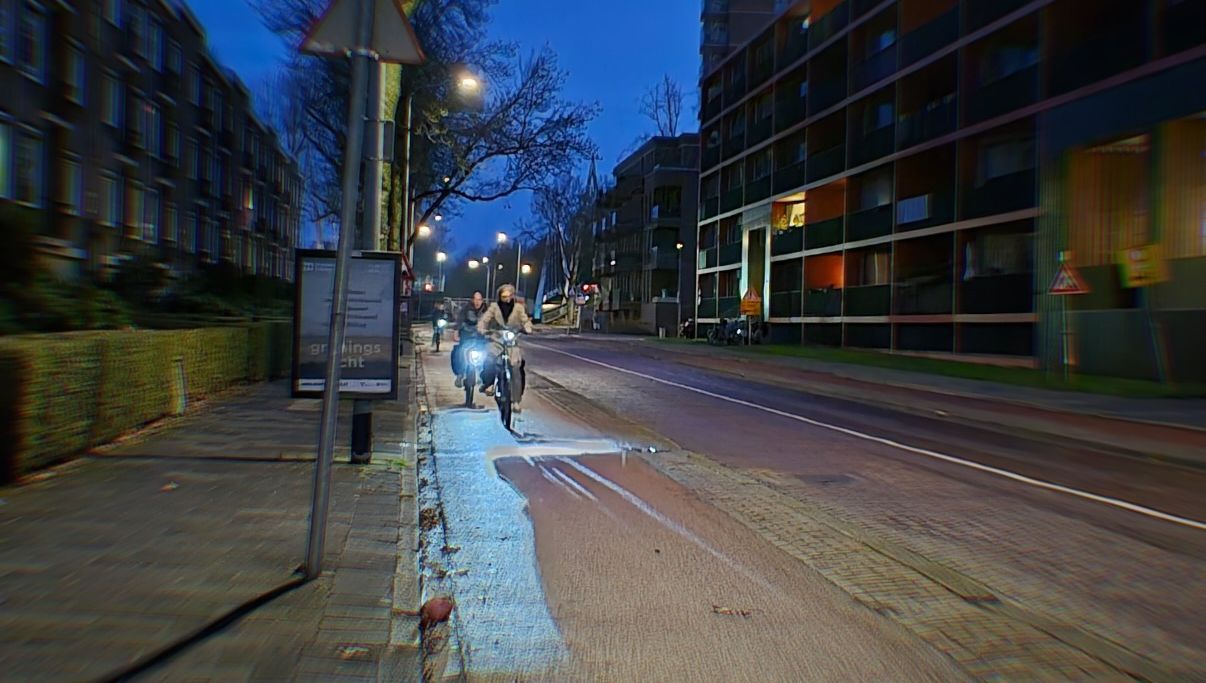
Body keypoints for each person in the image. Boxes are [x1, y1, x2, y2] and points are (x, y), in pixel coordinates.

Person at [477, 283, 534, 410]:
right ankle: (488, 382)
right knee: (489, 359)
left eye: (509, 296)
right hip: (496, 340)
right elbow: (484, 320)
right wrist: (482, 329)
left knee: (516, 368)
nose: (507, 299)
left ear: (512, 296)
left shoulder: (519, 308)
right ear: (500, 297)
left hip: (512, 342)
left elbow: (525, 321)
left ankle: (516, 400)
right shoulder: (494, 307)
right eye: (504, 297)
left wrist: (528, 328)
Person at [451, 291, 489, 387]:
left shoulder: (487, 311)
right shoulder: (466, 309)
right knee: (460, 352)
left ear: (482, 300)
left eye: (479, 299)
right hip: (467, 336)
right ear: (472, 300)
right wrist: (456, 331)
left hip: (480, 338)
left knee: (488, 355)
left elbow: (492, 322)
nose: (477, 302)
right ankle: (460, 375)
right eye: (475, 299)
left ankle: (483, 376)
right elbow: (460, 320)